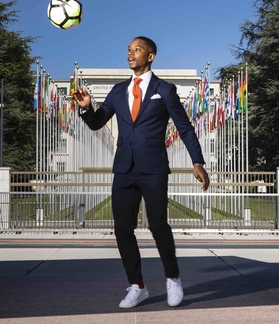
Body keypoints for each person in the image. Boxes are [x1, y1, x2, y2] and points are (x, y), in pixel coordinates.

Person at [73, 36, 210, 309]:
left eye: (137, 50)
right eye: (128, 49)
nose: (130, 54)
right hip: (124, 168)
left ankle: (172, 278)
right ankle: (137, 286)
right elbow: (98, 123)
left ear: (150, 56)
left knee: (159, 225)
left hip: (154, 168)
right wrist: (87, 108)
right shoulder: (118, 90)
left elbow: (184, 127)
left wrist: (198, 161)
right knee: (122, 228)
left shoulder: (165, 90)